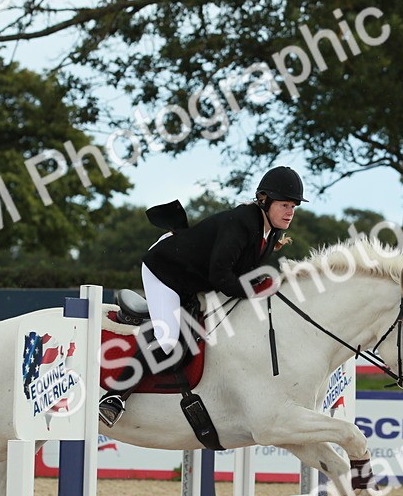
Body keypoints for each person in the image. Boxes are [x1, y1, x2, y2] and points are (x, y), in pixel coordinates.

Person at [98, 165, 306, 426]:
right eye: (285, 205)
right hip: (165, 269)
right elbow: (221, 276)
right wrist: (253, 289)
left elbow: (242, 274)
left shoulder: (270, 231)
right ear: (264, 200)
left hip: (192, 277)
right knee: (168, 340)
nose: (290, 212)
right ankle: (114, 397)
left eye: (294, 207)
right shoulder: (242, 223)